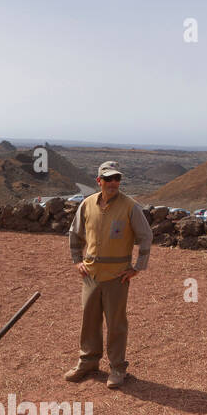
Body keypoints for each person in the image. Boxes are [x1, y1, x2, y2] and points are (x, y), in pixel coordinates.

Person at [65, 161, 152, 390]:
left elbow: (146, 236)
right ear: (99, 181)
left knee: (116, 324)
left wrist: (137, 267)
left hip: (117, 276)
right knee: (89, 321)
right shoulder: (86, 205)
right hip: (91, 275)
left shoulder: (130, 206)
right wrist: (77, 261)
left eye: (117, 179)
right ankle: (88, 362)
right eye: (109, 179)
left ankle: (117, 368)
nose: (113, 183)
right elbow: (75, 235)